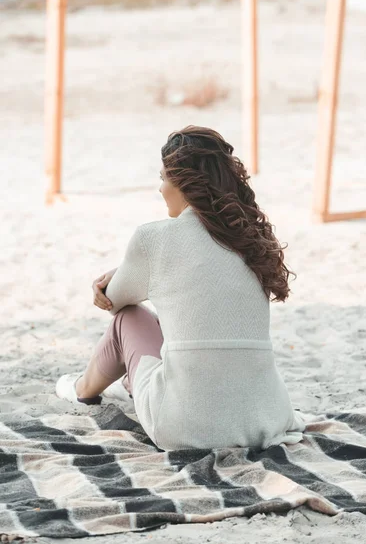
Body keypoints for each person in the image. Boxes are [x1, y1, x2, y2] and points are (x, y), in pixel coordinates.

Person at [56, 126, 306, 451]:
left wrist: (110, 280)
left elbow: (114, 301)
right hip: (265, 419)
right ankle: (129, 382)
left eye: (163, 178)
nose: (160, 189)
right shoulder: (252, 242)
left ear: (184, 183)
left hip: (185, 427)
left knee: (129, 318)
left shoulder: (153, 239)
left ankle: (82, 390)